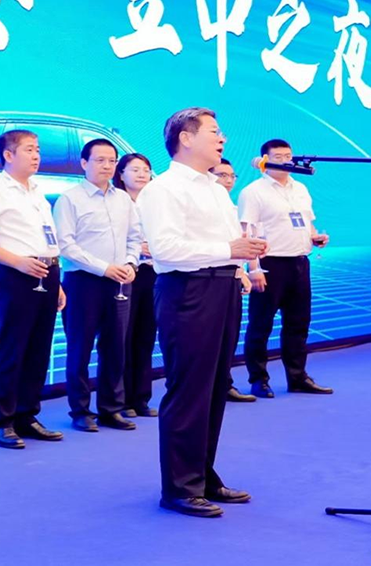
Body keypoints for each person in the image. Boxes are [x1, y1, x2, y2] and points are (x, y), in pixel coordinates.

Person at [137, 107, 267, 518]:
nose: (223, 138)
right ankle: (179, 488)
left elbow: (223, 243)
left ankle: (202, 476)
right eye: (214, 131)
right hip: (188, 290)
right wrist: (229, 249)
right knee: (189, 387)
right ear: (186, 138)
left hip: (223, 287)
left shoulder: (214, 187)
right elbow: (166, 250)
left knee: (214, 386)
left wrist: (240, 258)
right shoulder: (164, 189)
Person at [0, 129, 67, 449]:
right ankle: (1, 422)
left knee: (39, 349)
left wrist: (56, 281)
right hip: (15, 275)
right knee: (11, 348)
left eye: (38, 149)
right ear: (8, 155)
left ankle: (27, 415)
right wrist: (17, 262)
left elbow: (46, 239)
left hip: (46, 273)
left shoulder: (37, 192)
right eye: (29, 149)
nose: (36, 155)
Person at [54, 139, 142, 433]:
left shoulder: (123, 200)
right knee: (79, 349)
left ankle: (111, 409)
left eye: (112, 161)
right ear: (84, 163)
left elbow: (134, 236)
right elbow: (66, 245)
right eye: (100, 160)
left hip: (120, 281)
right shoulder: (70, 199)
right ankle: (80, 410)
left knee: (115, 347)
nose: (107, 166)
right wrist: (104, 268)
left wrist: (130, 263)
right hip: (83, 282)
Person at [239, 139, 332, 398]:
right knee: (261, 325)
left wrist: (315, 236)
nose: (285, 160)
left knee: (298, 324)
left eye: (288, 155)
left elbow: (306, 221)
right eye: (278, 156)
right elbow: (246, 232)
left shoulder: (300, 187)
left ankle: (298, 377)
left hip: (299, 263)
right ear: (264, 160)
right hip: (270, 264)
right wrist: (254, 269)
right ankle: (259, 380)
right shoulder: (253, 191)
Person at [114, 153, 160, 419]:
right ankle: (120, 400)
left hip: (153, 273)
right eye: (135, 169)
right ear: (121, 174)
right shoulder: (116, 202)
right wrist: (136, 248)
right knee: (123, 337)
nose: (142, 174)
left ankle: (141, 398)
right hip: (125, 273)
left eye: (146, 169)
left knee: (145, 336)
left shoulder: (156, 202)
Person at [210, 158, 257, 403]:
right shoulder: (205, 205)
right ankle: (210, 388)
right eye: (222, 175)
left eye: (231, 176)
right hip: (207, 279)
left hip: (231, 276)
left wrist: (242, 272)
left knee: (229, 335)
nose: (228, 180)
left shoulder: (231, 206)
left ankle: (224, 384)